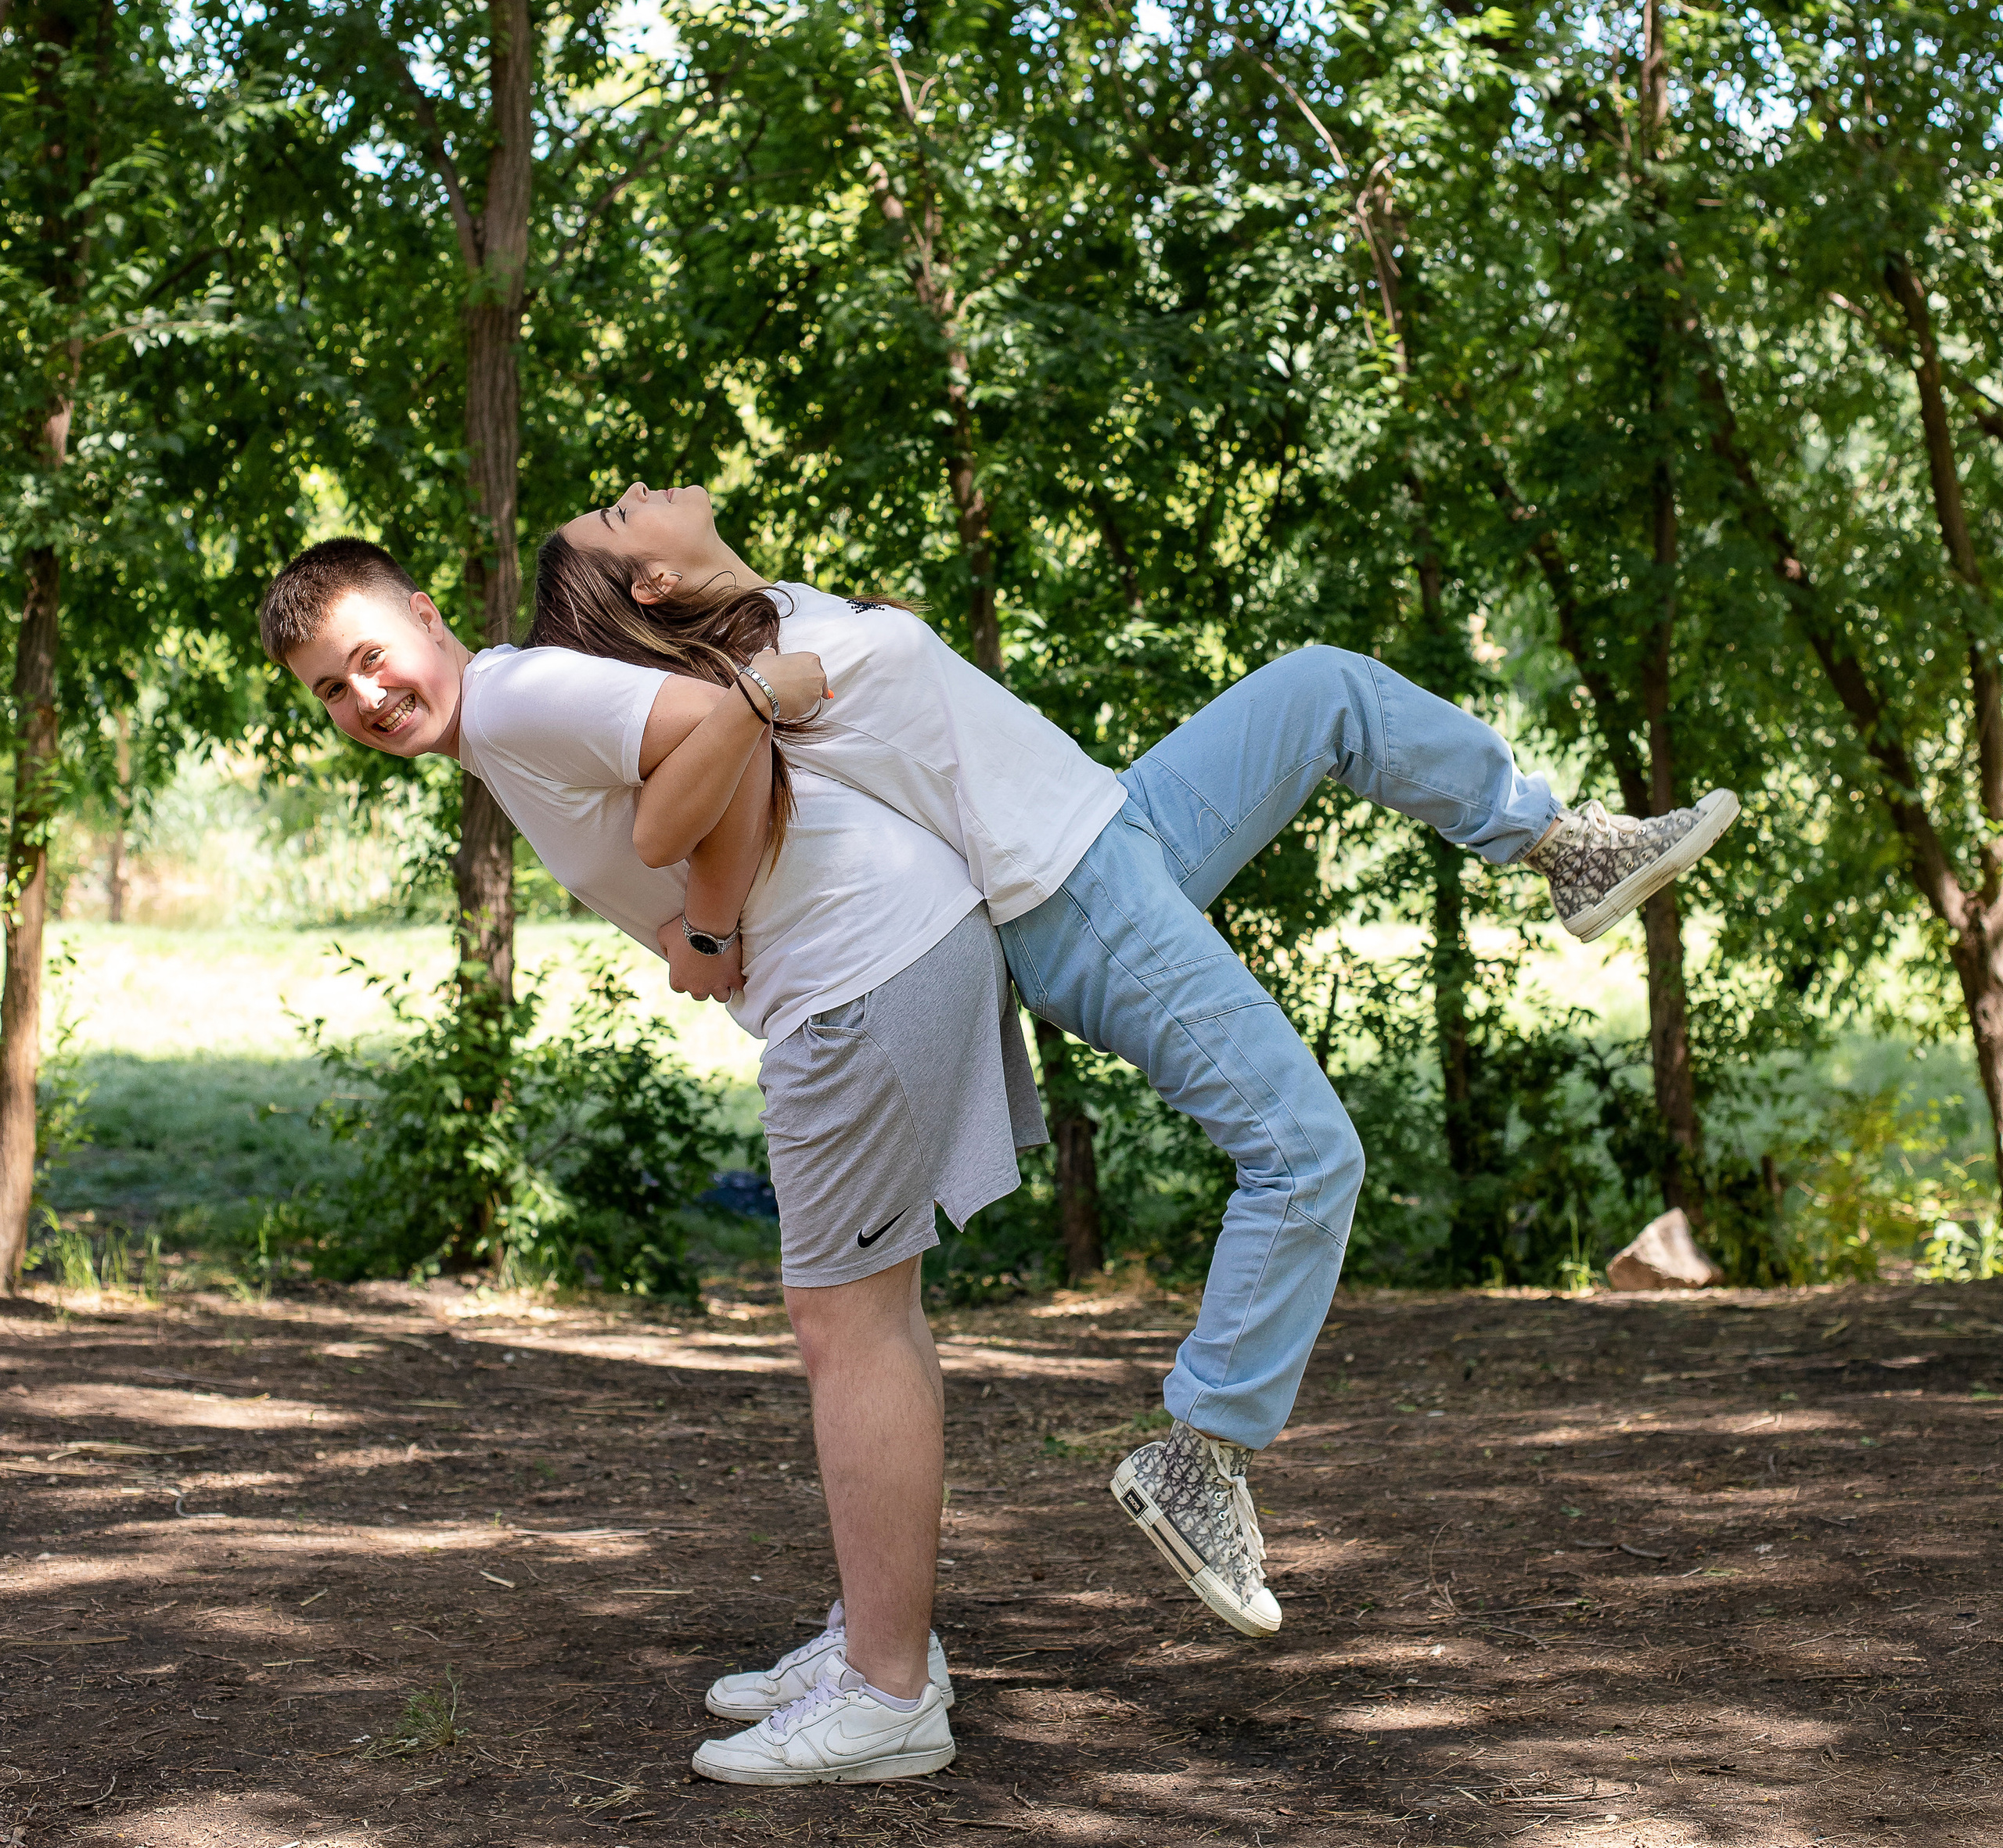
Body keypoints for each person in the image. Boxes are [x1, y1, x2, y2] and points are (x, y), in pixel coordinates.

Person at [532, 481, 1741, 1641]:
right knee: (1308, 1155)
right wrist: (705, 920)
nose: (648, 485)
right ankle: (1198, 1454)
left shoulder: (789, 612)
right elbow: (673, 822)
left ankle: (1563, 847)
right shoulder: (753, 684)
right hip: (1067, 902)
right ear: (648, 579)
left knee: (1328, 688)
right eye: (624, 509)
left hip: (1116, 821)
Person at [257, 534, 1052, 1788]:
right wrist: (711, 921)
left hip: (861, 966)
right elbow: (720, 745)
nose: (363, 698)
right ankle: (878, 1644)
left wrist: (715, 923)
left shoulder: (516, 695)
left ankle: (892, 1691)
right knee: (854, 1317)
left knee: (850, 1325)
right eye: (328, 690)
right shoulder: (509, 723)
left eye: (369, 658)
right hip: (865, 963)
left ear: (423, 615)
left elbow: (719, 717)